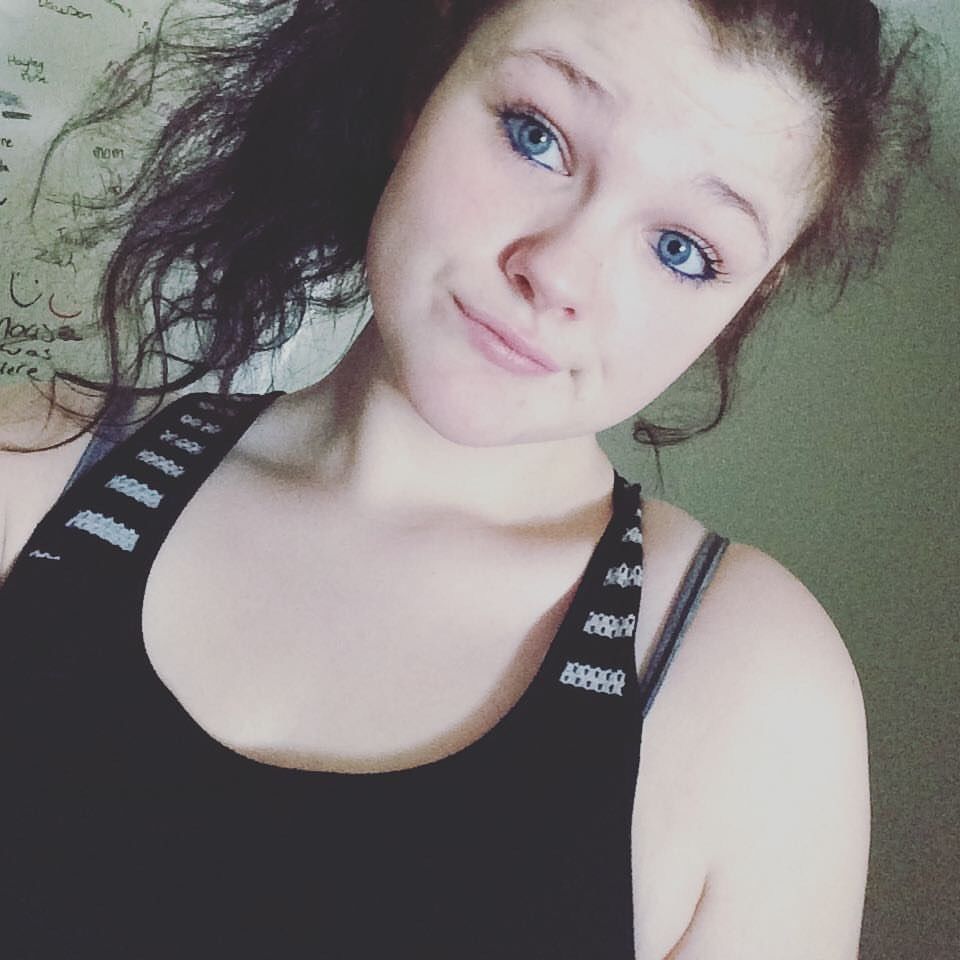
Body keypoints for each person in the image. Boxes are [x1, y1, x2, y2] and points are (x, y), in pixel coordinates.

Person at [0, 0, 933, 956]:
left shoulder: (751, 688)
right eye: (535, 136)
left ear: (746, 297)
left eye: (681, 250)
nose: (558, 274)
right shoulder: (29, 476)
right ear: (425, 86)